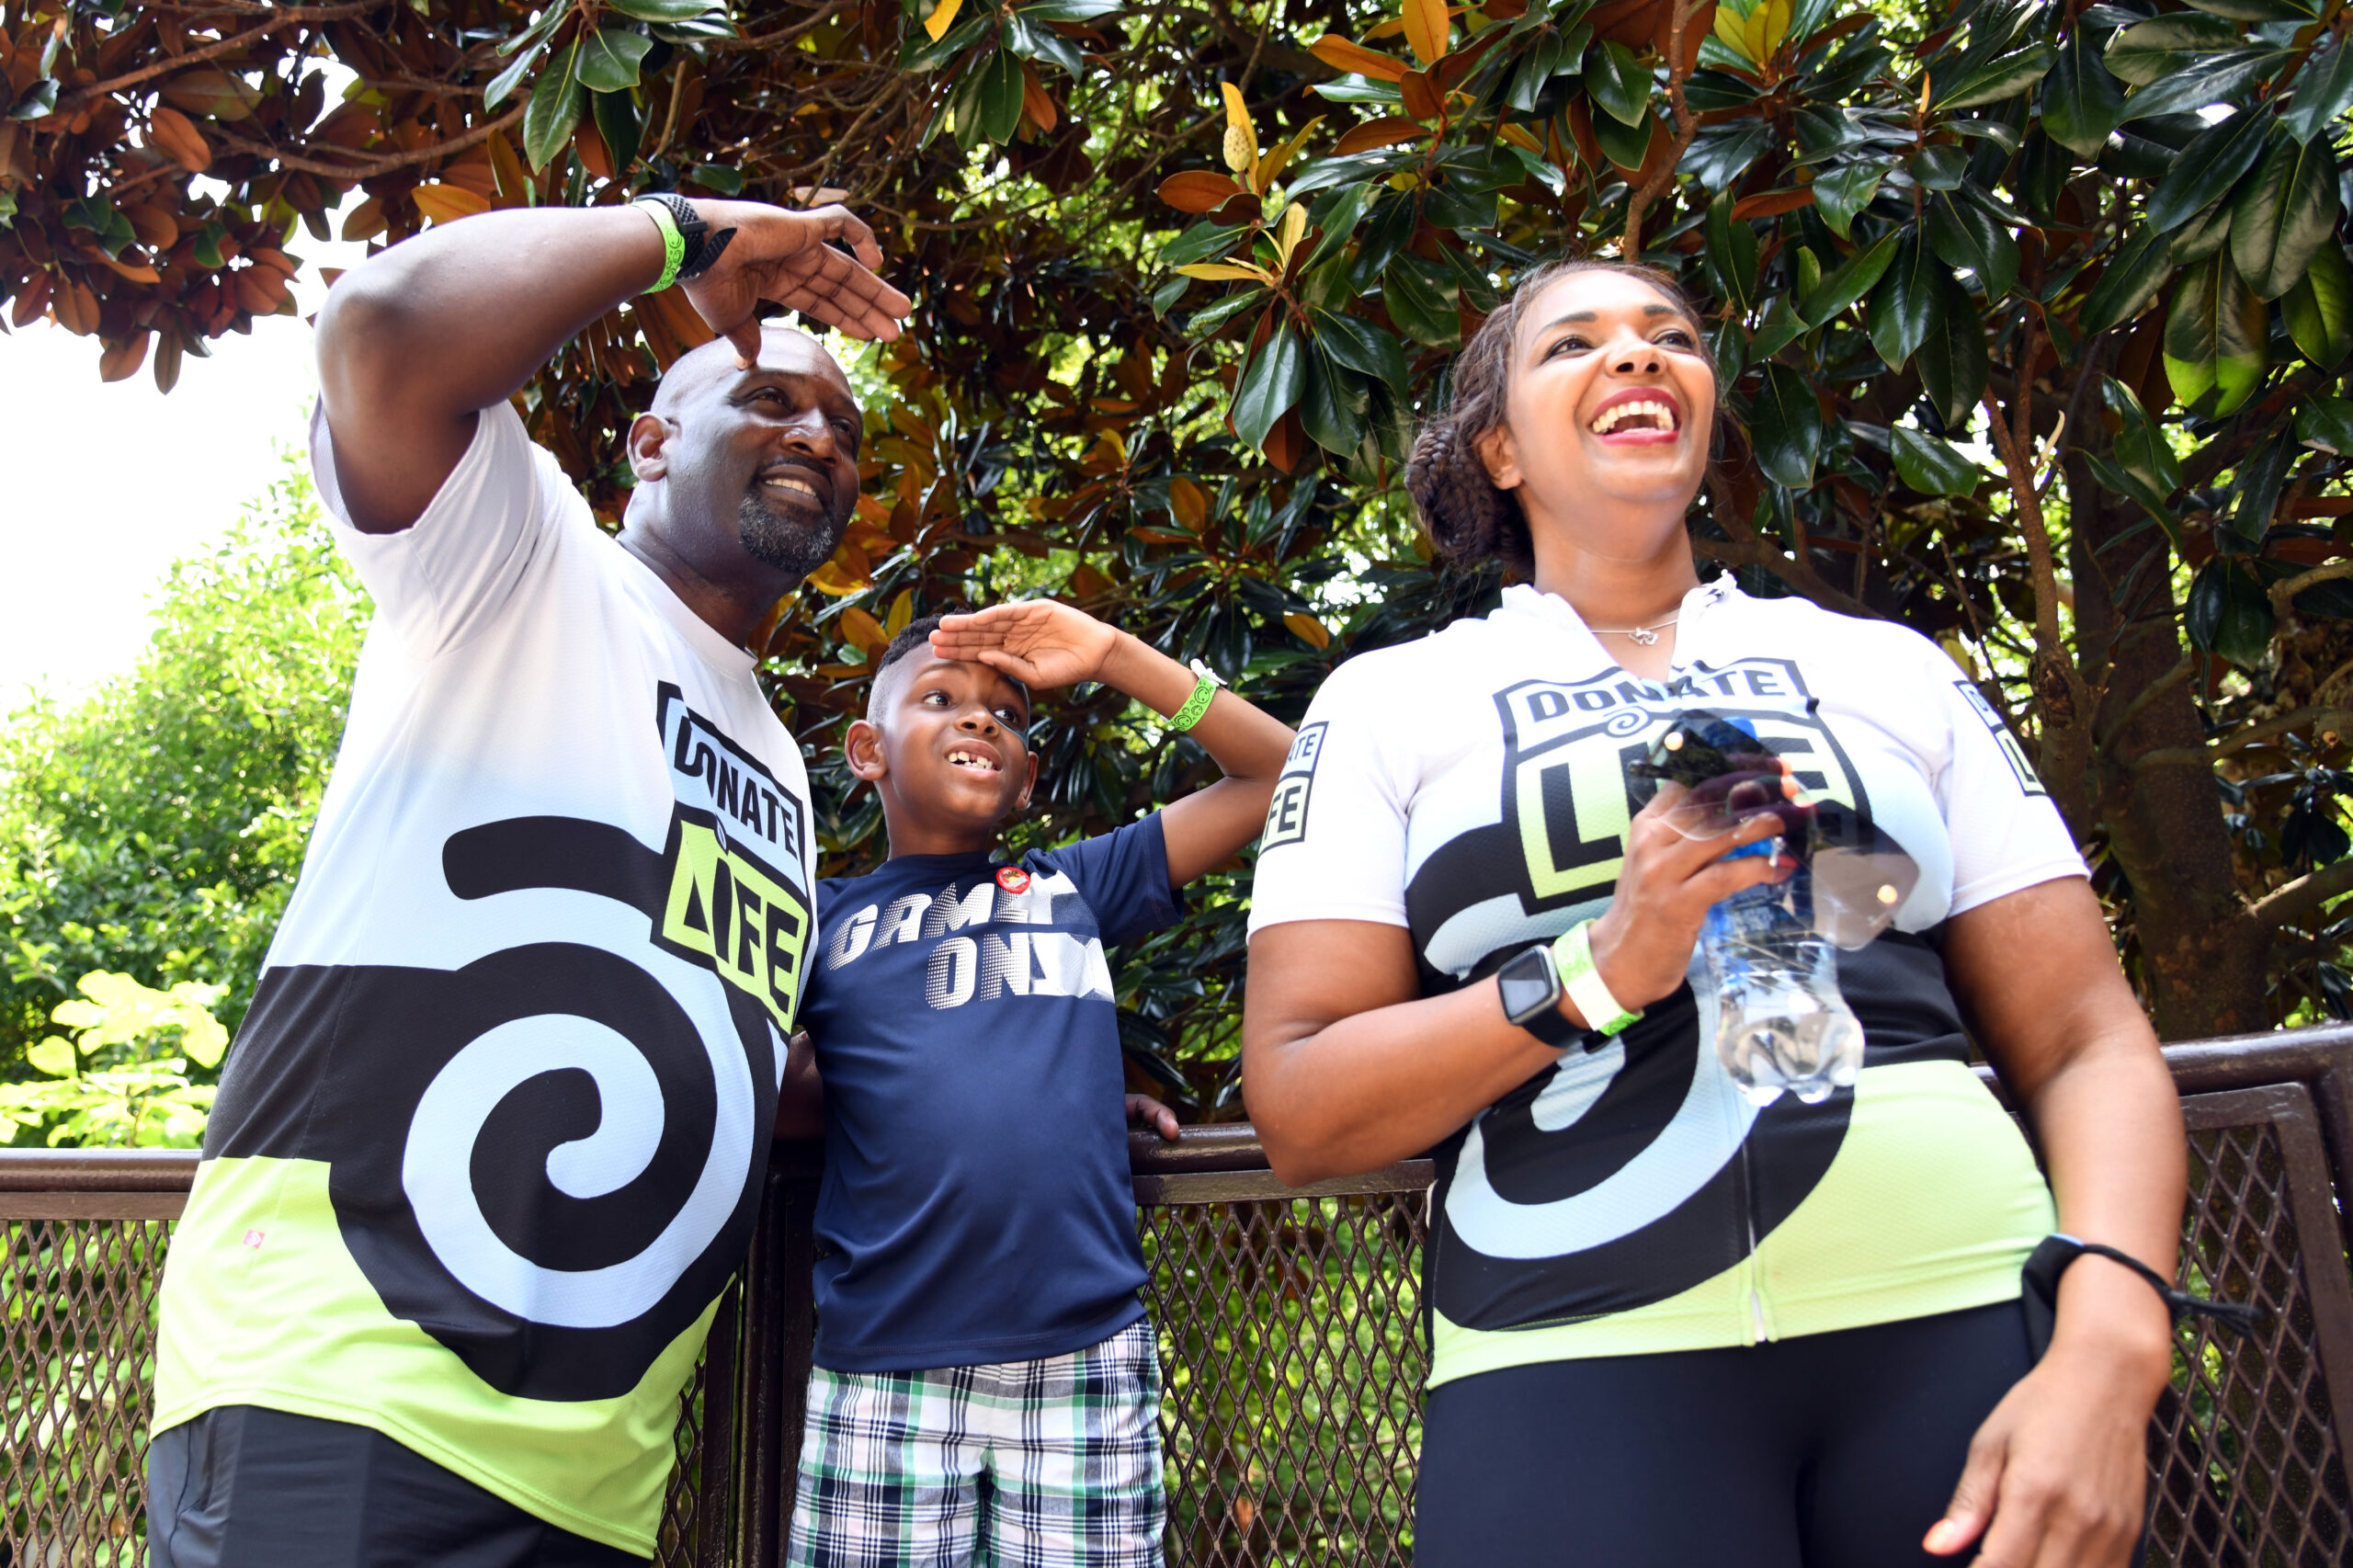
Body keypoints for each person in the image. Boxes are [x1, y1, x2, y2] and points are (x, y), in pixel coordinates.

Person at [1238, 259, 2187, 1568]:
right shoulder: (1387, 704)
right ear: (1501, 448)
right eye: (1574, 344)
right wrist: (1599, 967)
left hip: (1969, 1320)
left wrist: (2114, 1333)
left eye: (1669, 336)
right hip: (1573, 1352)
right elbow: (1300, 1104)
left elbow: (2086, 1035)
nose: (1637, 355)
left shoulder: (1883, 666)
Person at [145, 194, 910, 1565]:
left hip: (596, 1481)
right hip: (348, 1388)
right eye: (770, 398)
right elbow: (381, 331)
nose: (816, 436)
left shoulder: (785, 771)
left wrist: (1032, 1063)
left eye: (844, 430)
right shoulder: (522, 555)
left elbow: (743, 1058)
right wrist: (687, 233)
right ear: (649, 442)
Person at [779, 602, 1294, 1567]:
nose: (981, 720)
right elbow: (762, 1080)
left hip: (1082, 1355)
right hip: (884, 1362)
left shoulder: (1069, 887)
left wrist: (1110, 654)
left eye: (1009, 716)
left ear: (1024, 783)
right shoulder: (818, 919)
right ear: (866, 751)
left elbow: (1278, 769)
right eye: (939, 698)